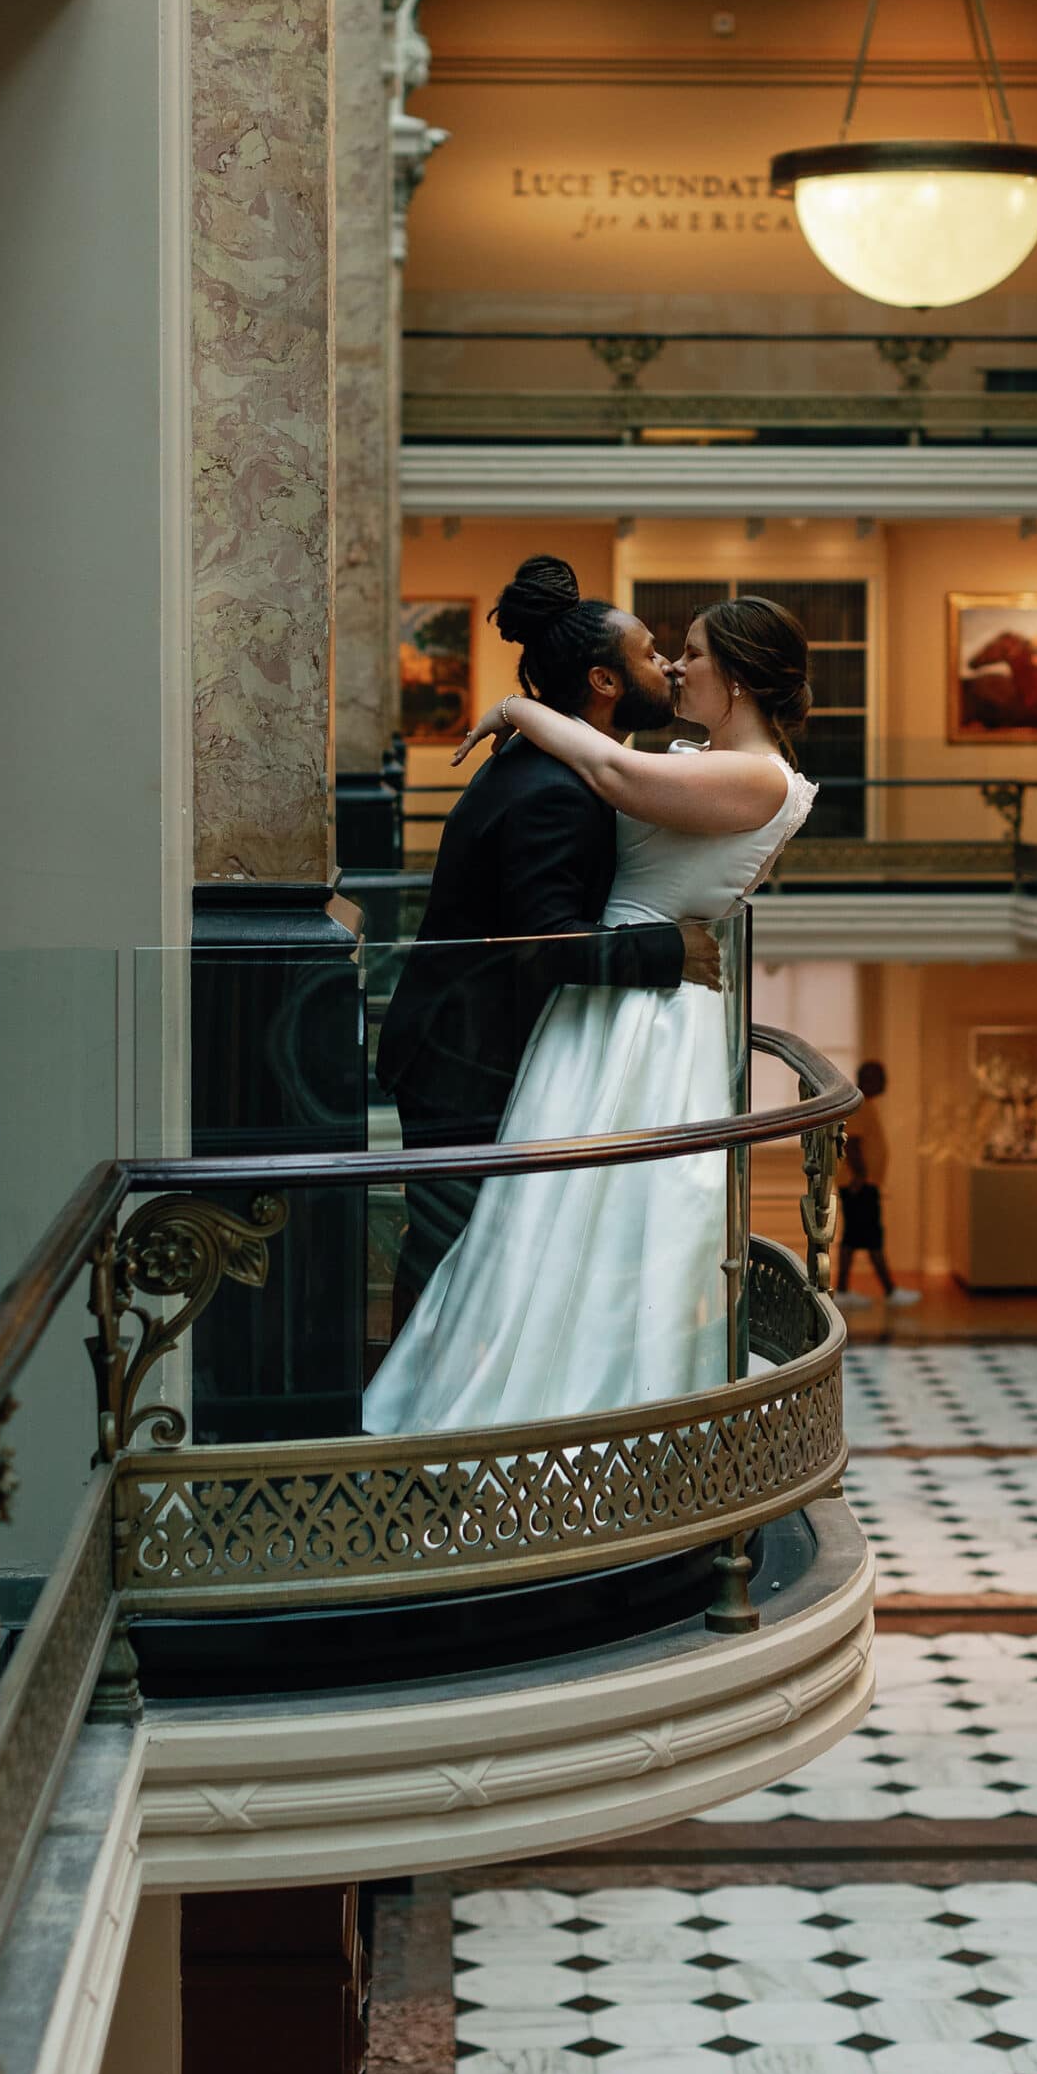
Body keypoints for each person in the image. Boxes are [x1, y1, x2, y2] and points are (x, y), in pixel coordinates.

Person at [362, 588, 817, 1435]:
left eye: (693, 653)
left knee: (594, 1227)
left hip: (636, 1022)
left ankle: (579, 1421)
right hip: (600, 1002)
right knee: (541, 1225)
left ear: (742, 680)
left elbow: (611, 773)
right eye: (664, 651)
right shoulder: (688, 757)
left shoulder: (753, 775)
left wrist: (513, 708)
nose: (677, 665)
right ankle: (501, 1409)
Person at [374, 556, 719, 1336]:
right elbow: (549, 943)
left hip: (470, 1046)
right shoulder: (552, 794)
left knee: (471, 1250)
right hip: (462, 1058)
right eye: (648, 653)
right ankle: (409, 1438)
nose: (665, 665)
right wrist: (673, 951)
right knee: (451, 1254)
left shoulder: (552, 765)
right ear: (602, 682)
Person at [835, 1059, 920, 1310]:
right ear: (868, 1078)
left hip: (860, 1183)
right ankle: (889, 1290)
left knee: (856, 1238)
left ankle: (844, 1289)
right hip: (859, 1184)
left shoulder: (863, 1104)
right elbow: (852, 1144)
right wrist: (860, 1176)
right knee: (869, 1238)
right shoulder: (860, 1105)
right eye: (881, 1077)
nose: (885, 1083)